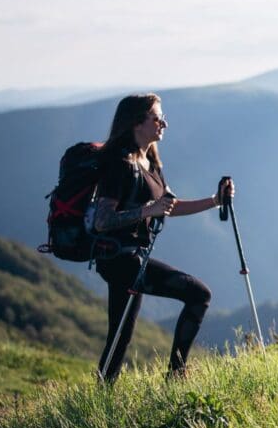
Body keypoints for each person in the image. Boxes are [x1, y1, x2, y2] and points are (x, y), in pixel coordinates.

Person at [93, 93, 233, 382]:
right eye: (157, 118)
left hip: (133, 257)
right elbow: (102, 220)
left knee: (120, 336)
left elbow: (170, 206)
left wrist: (215, 200)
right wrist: (147, 211)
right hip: (119, 257)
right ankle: (176, 376)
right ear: (137, 122)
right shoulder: (119, 164)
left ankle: (101, 396)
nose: (164, 124)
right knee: (199, 294)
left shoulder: (150, 161)